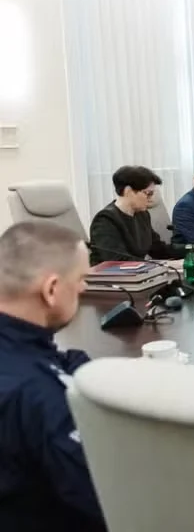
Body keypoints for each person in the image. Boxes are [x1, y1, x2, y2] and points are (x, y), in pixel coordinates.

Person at [0, 222, 107, 532]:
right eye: (81, 279)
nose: (83, 289)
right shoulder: (42, 396)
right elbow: (107, 501)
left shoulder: (22, 356)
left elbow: (47, 356)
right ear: (51, 289)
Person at [89, 166, 194, 264]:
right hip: (111, 285)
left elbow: (159, 249)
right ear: (128, 191)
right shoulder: (105, 220)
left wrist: (193, 248)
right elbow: (119, 262)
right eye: (148, 193)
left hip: (138, 280)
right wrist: (165, 265)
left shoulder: (142, 215)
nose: (151, 199)